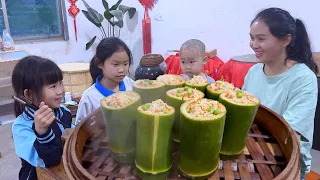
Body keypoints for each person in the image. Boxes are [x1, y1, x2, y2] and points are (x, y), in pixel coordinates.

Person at [243, 7, 318, 179]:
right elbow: (244, 108)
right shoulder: (254, 72)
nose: (253, 44)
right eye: (252, 38)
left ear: (285, 40)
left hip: (285, 156)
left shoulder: (304, 78)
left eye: (261, 39)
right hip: (251, 146)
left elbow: (290, 132)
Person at [11, 56, 73, 180]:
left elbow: (70, 139)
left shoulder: (64, 111)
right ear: (28, 94)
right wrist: (42, 133)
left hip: (66, 170)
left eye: (60, 83)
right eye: (53, 86)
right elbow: (49, 161)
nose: (60, 91)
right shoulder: (21, 127)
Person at [75, 37, 134, 125]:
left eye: (125, 64)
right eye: (115, 64)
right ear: (100, 63)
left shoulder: (130, 84)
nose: (122, 70)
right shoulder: (89, 98)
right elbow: (80, 129)